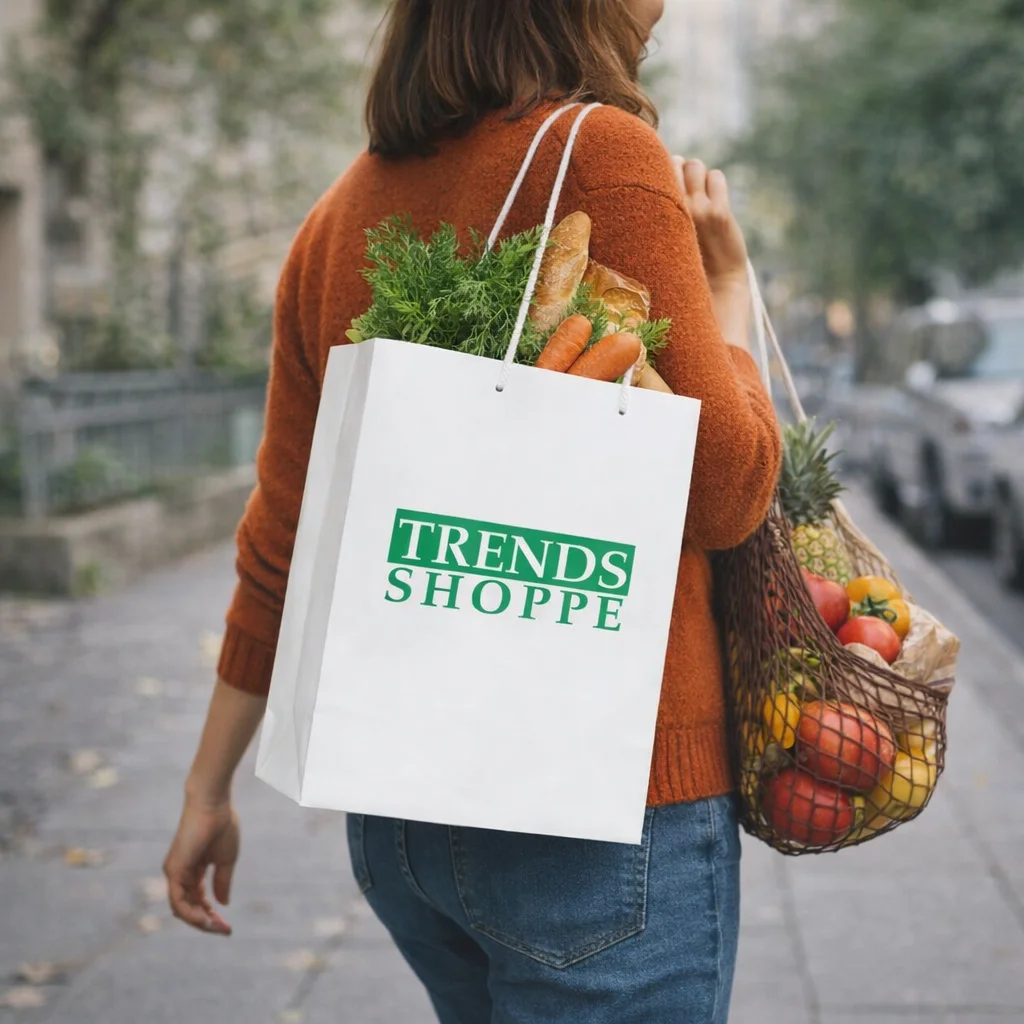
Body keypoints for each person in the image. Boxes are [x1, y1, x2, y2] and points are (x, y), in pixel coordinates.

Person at [163, 1, 782, 1020]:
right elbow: (728, 494)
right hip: (597, 819)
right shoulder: (601, 157)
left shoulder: (337, 217)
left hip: (400, 820)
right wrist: (727, 304)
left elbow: (282, 540)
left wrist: (206, 790)